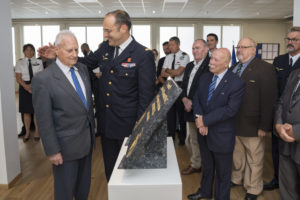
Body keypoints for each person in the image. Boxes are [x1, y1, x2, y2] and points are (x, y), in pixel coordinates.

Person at [32, 30, 95, 200]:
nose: (75, 55)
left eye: (76, 50)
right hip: (64, 149)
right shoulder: (43, 79)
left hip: (86, 144)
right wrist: (52, 151)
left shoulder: (82, 69)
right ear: (57, 50)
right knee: (64, 193)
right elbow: (44, 119)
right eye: (69, 50)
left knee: (83, 190)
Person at [187, 48, 245, 200]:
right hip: (203, 131)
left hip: (222, 135)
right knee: (207, 166)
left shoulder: (236, 82)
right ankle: (204, 192)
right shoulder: (205, 77)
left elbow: (230, 110)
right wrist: (200, 120)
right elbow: (198, 99)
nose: (211, 62)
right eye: (211, 58)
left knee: (222, 172)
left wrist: (205, 120)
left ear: (226, 63)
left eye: (216, 60)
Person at [231, 37, 277, 200]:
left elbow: (269, 100)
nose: (239, 50)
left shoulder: (265, 69)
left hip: (253, 124)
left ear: (253, 49)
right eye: (238, 47)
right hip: (235, 122)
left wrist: (264, 126)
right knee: (238, 155)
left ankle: (254, 188)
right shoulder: (235, 66)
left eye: (244, 47)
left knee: (254, 159)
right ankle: (237, 178)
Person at [264, 26, 300, 191]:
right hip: (279, 113)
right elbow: (273, 88)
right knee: (278, 150)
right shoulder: (279, 60)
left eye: (295, 39)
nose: (290, 42)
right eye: (289, 39)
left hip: (297, 118)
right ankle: (278, 179)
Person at [180, 39, 210, 175]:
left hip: (204, 110)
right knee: (194, 139)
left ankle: (208, 167)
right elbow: (184, 85)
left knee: (205, 141)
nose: (195, 51)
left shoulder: (211, 65)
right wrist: (184, 99)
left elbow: (206, 89)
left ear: (206, 49)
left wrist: (192, 101)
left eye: (198, 48)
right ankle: (196, 164)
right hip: (188, 108)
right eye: (193, 48)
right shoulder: (190, 65)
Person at [274, 67, 300, 200]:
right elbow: (281, 101)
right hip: (285, 144)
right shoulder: (294, 73)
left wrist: (295, 131)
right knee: (287, 190)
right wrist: (278, 125)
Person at [161, 36, 189, 145]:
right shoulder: (168, 57)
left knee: (181, 112)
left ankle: (182, 137)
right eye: (169, 45)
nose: (170, 47)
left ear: (178, 45)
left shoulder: (184, 56)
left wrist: (168, 70)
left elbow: (179, 73)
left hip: (180, 85)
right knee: (170, 112)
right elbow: (162, 73)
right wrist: (171, 71)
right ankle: (171, 134)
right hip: (169, 84)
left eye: (172, 45)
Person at [15, 44, 43, 142]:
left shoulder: (39, 62)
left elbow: (40, 76)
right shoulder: (20, 63)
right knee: (26, 112)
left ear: (34, 51)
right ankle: (27, 132)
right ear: (24, 51)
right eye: (27, 50)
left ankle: (37, 132)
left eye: (31, 50)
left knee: (36, 111)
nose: (29, 52)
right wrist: (27, 87)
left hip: (36, 85)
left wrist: (32, 85)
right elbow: (18, 77)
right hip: (24, 86)